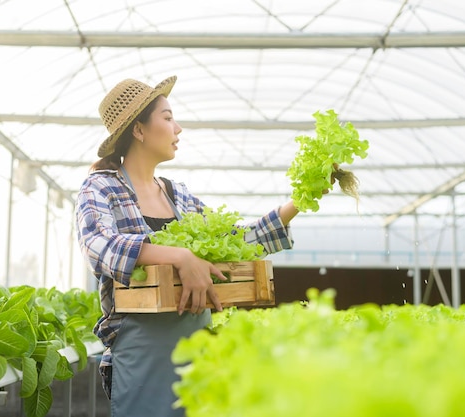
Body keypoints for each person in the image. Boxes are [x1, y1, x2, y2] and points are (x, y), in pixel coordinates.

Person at [75, 75, 334, 417]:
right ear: (139, 130)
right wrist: (180, 256)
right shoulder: (101, 188)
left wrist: (301, 201)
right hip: (141, 349)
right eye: (167, 118)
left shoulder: (177, 195)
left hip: (194, 347)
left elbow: (234, 243)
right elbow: (99, 243)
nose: (177, 128)